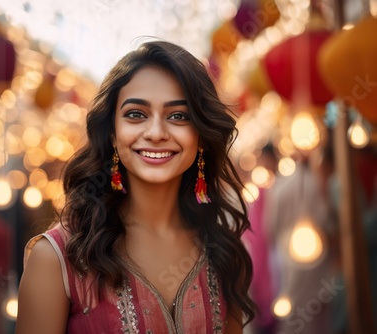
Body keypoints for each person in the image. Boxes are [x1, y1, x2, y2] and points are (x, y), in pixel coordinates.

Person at [16, 40, 255, 333]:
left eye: (178, 116)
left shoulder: (225, 253)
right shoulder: (57, 259)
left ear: (202, 136)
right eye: (136, 114)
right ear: (113, 134)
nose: (155, 132)